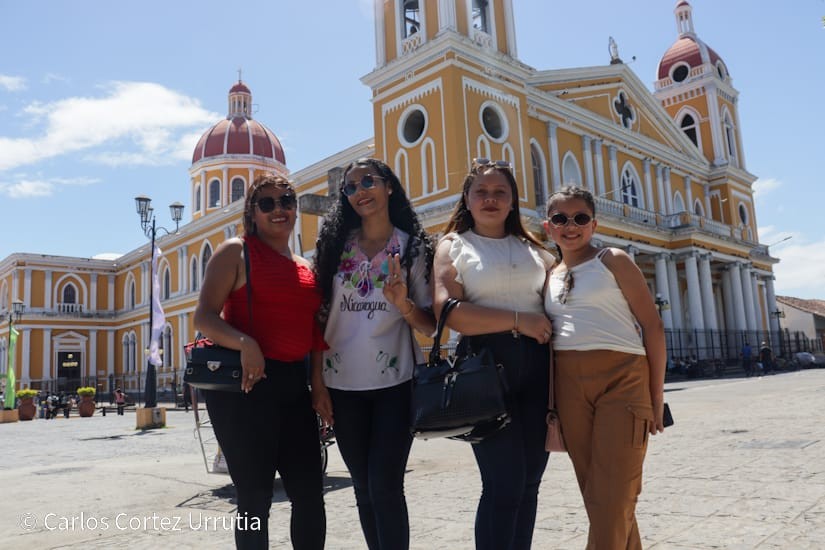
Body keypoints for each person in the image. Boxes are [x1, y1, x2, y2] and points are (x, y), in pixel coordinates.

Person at [193, 173, 326, 550]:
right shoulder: (235, 252)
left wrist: (318, 386)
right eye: (266, 203)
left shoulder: (305, 267)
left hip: (294, 388)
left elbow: (315, 332)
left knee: (310, 495)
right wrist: (245, 342)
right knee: (254, 499)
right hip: (245, 390)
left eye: (286, 201)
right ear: (252, 213)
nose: (278, 209)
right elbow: (204, 317)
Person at [311, 158, 436, 550]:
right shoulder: (334, 247)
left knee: (385, 485)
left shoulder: (412, 248)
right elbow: (318, 320)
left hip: (396, 384)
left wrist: (403, 304)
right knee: (363, 487)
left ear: (389, 186)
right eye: (350, 187)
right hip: (341, 385)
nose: (359, 191)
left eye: (368, 181)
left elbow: (430, 324)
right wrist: (317, 384)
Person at [432, 158, 554, 550]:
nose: (490, 199)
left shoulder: (535, 249)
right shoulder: (454, 245)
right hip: (484, 371)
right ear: (466, 199)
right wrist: (520, 321)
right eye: (481, 192)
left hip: (539, 371)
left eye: (500, 191)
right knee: (504, 484)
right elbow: (450, 313)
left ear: (513, 200)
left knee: (530, 483)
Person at [543, 185, 666, 550]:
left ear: (594, 224)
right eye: (560, 218)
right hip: (569, 385)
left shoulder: (613, 260)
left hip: (623, 379)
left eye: (580, 218)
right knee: (599, 495)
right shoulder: (548, 273)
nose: (570, 226)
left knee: (613, 494)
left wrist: (656, 396)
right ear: (548, 226)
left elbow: (652, 326)